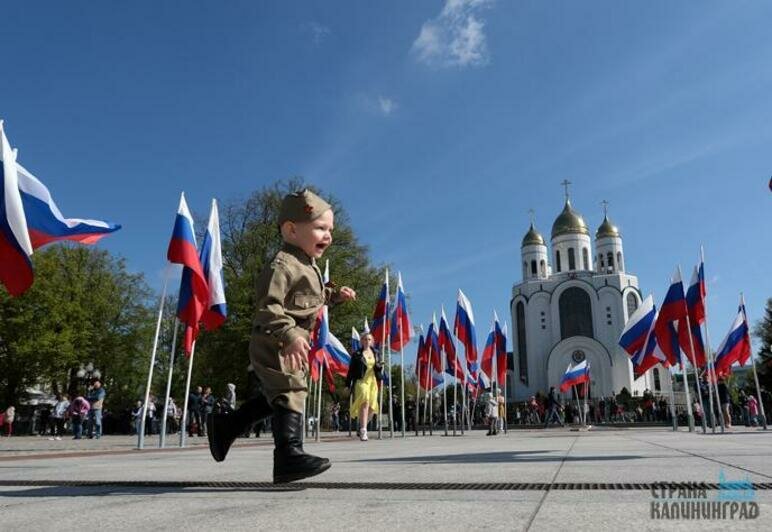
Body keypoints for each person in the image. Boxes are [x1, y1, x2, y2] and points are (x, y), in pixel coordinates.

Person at [206, 189, 356, 483]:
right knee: (290, 390)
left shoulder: (307, 264)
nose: (327, 235)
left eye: (330, 230)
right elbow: (268, 306)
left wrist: (335, 296)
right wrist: (289, 334)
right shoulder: (282, 265)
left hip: (293, 341)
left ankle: (227, 427)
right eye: (320, 228)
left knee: (281, 393)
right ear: (291, 229)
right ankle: (288, 456)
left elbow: (313, 296)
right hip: (274, 338)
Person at [346, 332, 383, 441]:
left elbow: (377, 368)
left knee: (372, 407)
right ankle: (363, 431)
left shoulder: (376, 353)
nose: (367, 341)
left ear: (372, 341)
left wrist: (379, 367)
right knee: (365, 402)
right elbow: (351, 370)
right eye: (365, 339)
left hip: (372, 381)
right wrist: (347, 384)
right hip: (361, 381)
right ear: (361, 341)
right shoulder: (357, 354)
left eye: (369, 339)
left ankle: (361, 426)